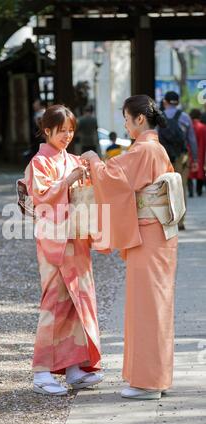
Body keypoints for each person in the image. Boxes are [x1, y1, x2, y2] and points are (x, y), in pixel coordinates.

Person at [82, 95, 182, 400]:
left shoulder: (146, 148)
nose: (125, 124)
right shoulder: (152, 148)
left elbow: (113, 176)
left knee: (147, 307)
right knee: (154, 306)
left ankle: (148, 382)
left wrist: (92, 160)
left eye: (126, 118)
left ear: (140, 119)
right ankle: (154, 378)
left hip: (151, 235)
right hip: (156, 234)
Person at [24, 104, 104, 396]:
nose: (67, 136)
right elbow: (41, 198)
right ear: (47, 131)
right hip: (54, 241)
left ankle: (73, 368)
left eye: (71, 131)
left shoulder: (72, 159)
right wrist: (67, 181)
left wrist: (86, 175)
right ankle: (42, 371)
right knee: (55, 304)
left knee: (77, 302)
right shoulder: (38, 163)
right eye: (61, 131)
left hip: (76, 239)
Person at [159, 91, 198, 230]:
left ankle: (167, 219)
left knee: (164, 188)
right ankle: (181, 221)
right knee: (181, 188)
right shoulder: (185, 117)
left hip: (164, 158)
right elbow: (191, 140)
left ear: (165, 102)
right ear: (178, 102)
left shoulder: (160, 117)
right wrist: (195, 159)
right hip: (182, 157)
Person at [188, 109, 206, 197]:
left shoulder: (189, 126)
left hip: (190, 151)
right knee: (200, 170)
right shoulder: (203, 127)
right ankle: (199, 190)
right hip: (201, 152)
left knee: (189, 171)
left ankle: (191, 191)